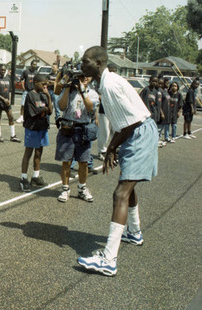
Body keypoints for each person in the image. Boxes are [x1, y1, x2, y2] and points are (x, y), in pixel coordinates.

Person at [77, 46, 158, 276]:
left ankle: (109, 259)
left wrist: (112, 146)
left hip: (139, 132)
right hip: (136, 132)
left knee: (120, 193)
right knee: (128, 185)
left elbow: (131, 122)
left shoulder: (110, 85)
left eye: (86, 62)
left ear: (99, 63)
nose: (82, 65)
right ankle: (134, 232)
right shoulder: (105, 81)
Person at [55, 75, 98, 203]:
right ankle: (65, 188)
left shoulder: (93, 93)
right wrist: (68, 87)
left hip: (83, 129)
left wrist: (83, 90)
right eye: (81, 76)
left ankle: (82, 188)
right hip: (68, 128)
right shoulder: (69, 91)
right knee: (66, 161)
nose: (85, 78)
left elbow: (90, 108)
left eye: (87, 76)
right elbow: (62, 107)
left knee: (83, 162)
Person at [19, 74, 52, 192]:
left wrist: (48, 96)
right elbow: (36, 111)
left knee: (39, 152)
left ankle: (35, 176)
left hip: (42, 127)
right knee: (28, 153)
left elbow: (50, 110)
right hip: (32, 128)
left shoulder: (44, 95)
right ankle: (23, 178)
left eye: (46, 84)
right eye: (43, 84)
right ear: (36, 82)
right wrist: (45, 109)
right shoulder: (30, 95)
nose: (45, 87)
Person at [0, 64, 21, 143]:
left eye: (4, 70)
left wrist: (9, 100)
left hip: (6, 102)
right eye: (1, 70)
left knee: (11, 117)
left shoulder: (8, 78)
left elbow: (10, 90)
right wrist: (3, 99)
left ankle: (13, 135)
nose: (3, 71)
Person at [16, 59, 37, 123]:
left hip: (33, 92)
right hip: (27, 91)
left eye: (35, 65)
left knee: (34, 105)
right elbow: (21, 79)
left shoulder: (36, 72)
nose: (34, 66)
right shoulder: (26, 71)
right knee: (23, 105)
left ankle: (31, 117)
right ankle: (21, 117)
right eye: (33, 64)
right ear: (31, 65)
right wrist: (23, 87)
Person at [156, 78, 169, 147]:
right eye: (160, 83)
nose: (160, 85)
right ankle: (157, 140)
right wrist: (161, 113)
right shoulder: (159, 91)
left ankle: (159, 139)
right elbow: (159, 103)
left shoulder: (164, 91)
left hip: (166, 112)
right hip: (161, 113)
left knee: (161, 128)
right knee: (159, 127)